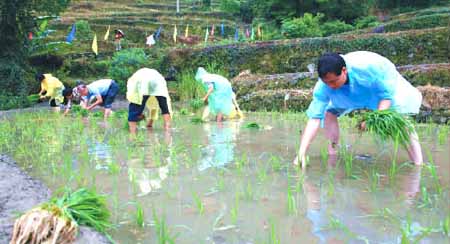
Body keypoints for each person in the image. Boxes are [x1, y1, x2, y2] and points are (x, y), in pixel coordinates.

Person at [294, 51, 423, 168]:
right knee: (329, 112)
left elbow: (385, 97)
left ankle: (418, 163)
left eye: (333, 81)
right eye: (327, 82)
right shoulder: (324, 86)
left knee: (402, 122)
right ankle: (332, 154)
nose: (331, 86)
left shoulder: (367, 70)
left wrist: (372, 119)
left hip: (375, 84)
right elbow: (314, 119)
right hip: (346, 92)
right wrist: (301, 152)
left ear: (344, 70)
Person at [126, 68, 172, 133]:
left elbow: (134, 98)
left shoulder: (136, 77)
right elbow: (154, 108)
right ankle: (168, 132)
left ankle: (132, 134)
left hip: (142, 82)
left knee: (134, 110)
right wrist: (149, 125)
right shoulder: (154, 74)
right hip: (158, 81)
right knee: (164, 108)